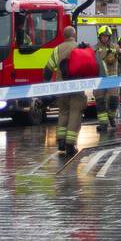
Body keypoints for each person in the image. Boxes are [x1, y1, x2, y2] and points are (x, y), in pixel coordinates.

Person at [45, 25, 83, 156]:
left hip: (61, 88)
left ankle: (61, 140)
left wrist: (46, 84)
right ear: (75, 35)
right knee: (75, 113)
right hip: (77, 87)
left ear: (63, 36)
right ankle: (70, 144)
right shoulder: (80, 47)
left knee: (63, 112)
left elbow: (48, 69)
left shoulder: (57, 49)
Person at [95, 26, 121, 129]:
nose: (105, 38)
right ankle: (103, 124)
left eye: (107, 36)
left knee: (114, 100)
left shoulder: (115, 47)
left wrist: (120, 53)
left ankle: (111, 117)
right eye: (103, 36)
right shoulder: (94, 48)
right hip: (100, 80)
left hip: (112, 79)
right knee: (100, 102)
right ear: (99, 37)